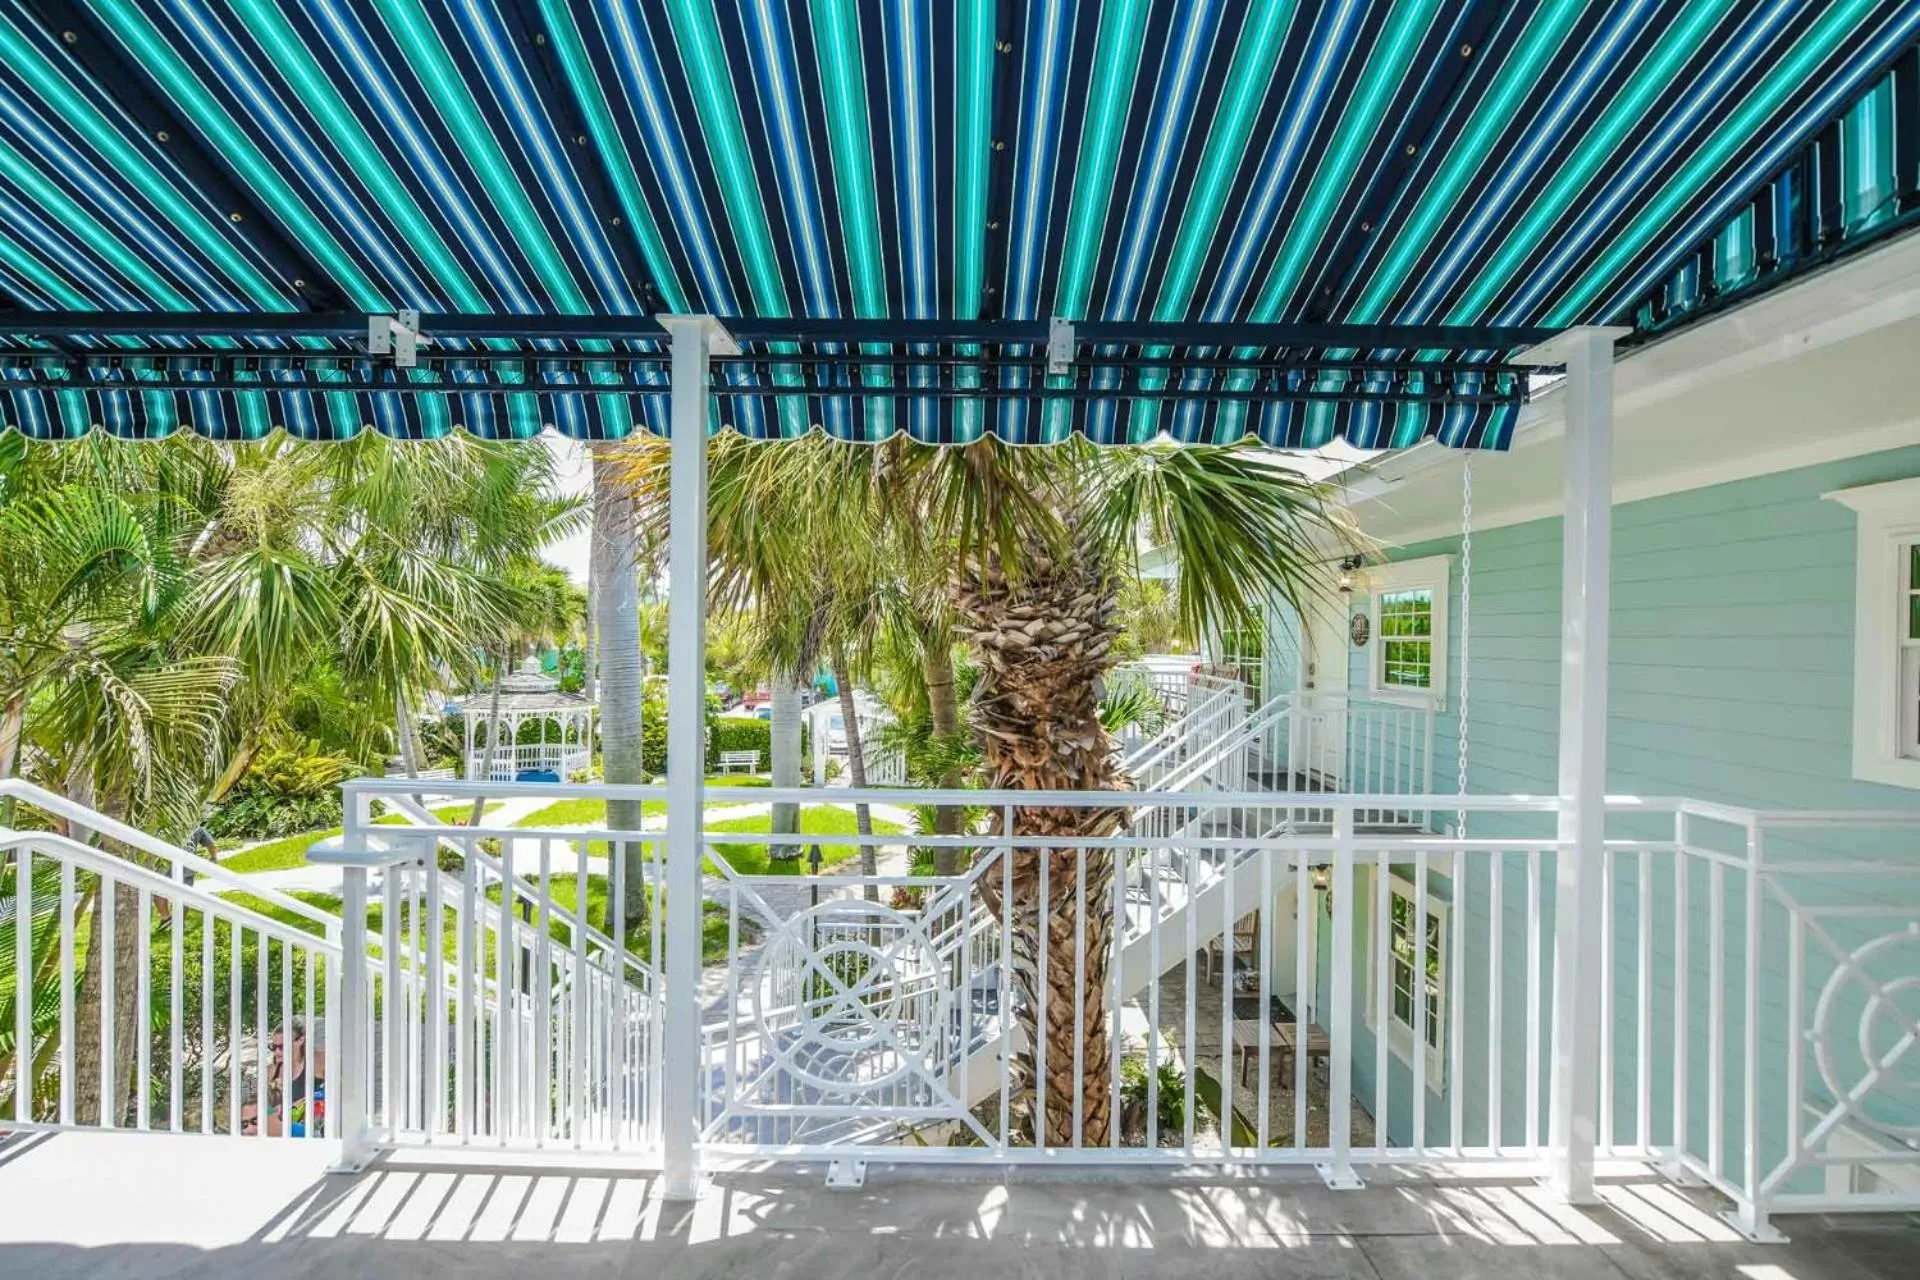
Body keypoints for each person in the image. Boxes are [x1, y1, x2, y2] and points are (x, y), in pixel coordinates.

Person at [239, 1018, 326, 1137]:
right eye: (273, 1047)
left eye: (282, 1047)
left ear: (300, 1040)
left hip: (317, 1129)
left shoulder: (316, 1062)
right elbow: (262, 1105)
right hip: (283, 1133)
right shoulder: (271, 1071)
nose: (277, 1052)